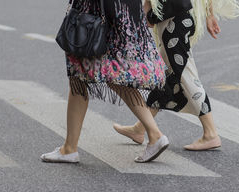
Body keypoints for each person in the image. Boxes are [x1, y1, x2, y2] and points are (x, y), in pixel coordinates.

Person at [41, 0, 170, 163]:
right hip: (124, 11)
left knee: (83, 76)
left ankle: (154, 134)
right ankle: (69, 147)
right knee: (106, 76)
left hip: (98, 14)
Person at [113, 0, 239, 151]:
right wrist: (209, 15)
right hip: (181, 17)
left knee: (186, 76)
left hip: (174, 21)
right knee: (166, 77)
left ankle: (211, 133)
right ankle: (140, 129)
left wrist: (146, 10)